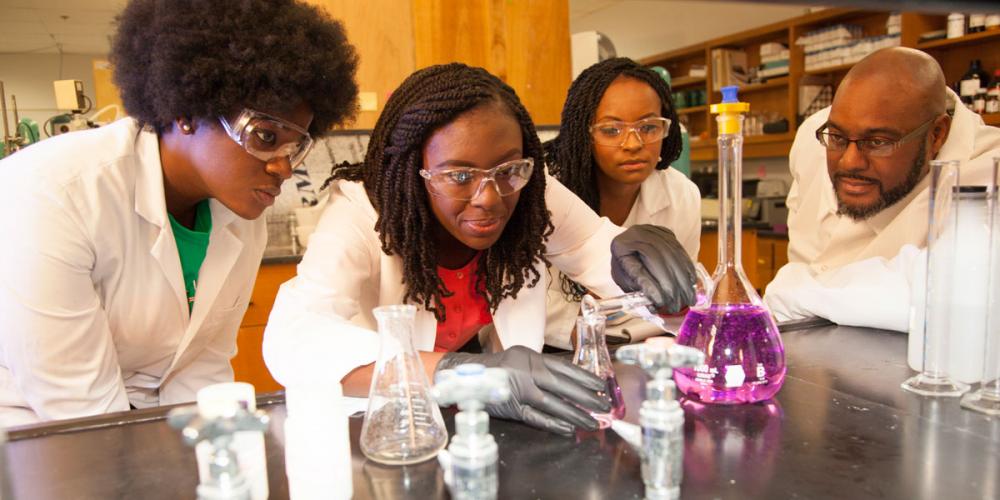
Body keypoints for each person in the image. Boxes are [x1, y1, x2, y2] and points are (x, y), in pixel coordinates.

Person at [263, 63, 696, 435]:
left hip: (485, 424)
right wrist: (462, 374)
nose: (489, 197)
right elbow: (295, 337)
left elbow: (588, 244)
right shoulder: (361, 211)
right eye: (458, 175)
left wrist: (630, 253)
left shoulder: (527, 191)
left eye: (507, 168)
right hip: (382, 427)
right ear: (415, 173)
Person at [0, 0, 359, 425]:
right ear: (187, 113)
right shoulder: (53, 193)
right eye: (264, 136)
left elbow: (199, 365)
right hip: (34, 428)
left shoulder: (240, 217)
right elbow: (80, 405)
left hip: (141, 425)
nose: (283, 166)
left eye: (294, 145)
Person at [764, 47, 1000, 329]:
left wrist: (794, 290)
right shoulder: (813, 136)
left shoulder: (988, 171)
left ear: (936, 136)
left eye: (877, 142)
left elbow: (947, 297)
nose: (850, 162)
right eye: (838, 138)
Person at [543, 57, 701, 349]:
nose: (633, 144)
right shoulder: (544, 189)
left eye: (649, 127)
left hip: (646, 345)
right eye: (611, 130)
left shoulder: (682, 195)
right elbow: (520, 301)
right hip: (551, 350)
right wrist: (592, 328)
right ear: (584, 133)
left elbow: (677, 297)